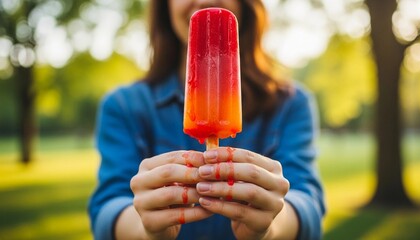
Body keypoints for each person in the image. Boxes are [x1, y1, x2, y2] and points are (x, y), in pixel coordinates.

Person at [88, 0, 325, 239]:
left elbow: (308, 205)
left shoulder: (291, 103)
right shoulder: (123, 106)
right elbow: (108, 208)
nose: (203, 1)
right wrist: (146, 230)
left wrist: (271, 226)